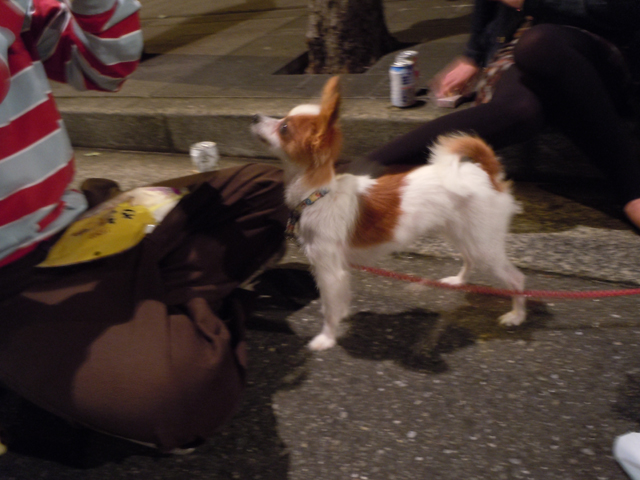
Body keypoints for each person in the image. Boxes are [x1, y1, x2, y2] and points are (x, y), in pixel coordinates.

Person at [0, 0, 287, 452]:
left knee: (278, 192)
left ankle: (143, 313)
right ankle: (147, 319)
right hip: (13, 272)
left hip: (78, 221)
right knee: (179, 404)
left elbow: (104, 69)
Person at [365, 0, 640, 229]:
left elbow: (623, 11)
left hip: (607, 45)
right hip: (525, 43)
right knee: (521, 109)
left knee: (542, 44)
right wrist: (473, 55)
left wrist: (532, 3)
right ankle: (358, 174)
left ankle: (632, 189)